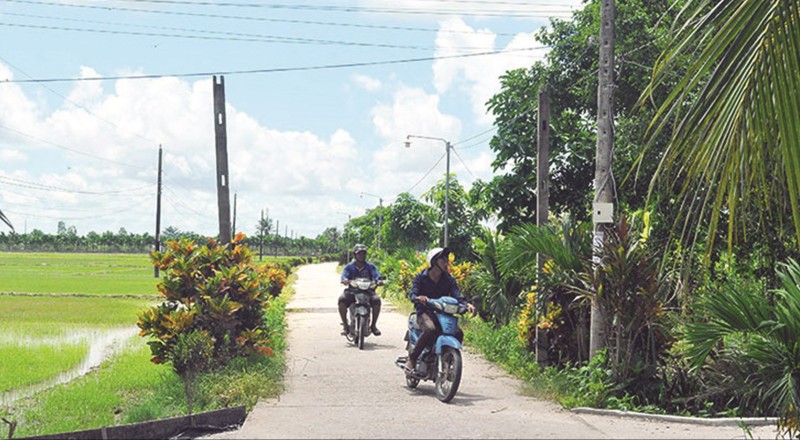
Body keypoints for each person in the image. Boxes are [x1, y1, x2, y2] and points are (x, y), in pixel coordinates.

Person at [404, 247, 474, 374]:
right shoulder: (421, 277)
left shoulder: (449, 280)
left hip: (443, 313)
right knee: (430, 329)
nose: (447, 262)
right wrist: (418, 298)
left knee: (458, 333)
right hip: (425, 312)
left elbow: (457, 295)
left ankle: (449, 360)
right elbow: (413, 294)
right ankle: (412, 359)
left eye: (447, 260)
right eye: (443, 260)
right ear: (434, 261)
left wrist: (466, 305)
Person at [339, 244, 383, 336]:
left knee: (377, 300)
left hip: (368, 291)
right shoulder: (349, 267)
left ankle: (373, 326)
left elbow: (377, 275)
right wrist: (345, 280)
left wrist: (379, 280)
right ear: (355, 255)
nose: (361, 256)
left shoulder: (371, 266)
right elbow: (344, 275)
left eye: (363, 253)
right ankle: (346, 326)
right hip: (353, 291)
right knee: (341, 300)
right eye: (359, 254)